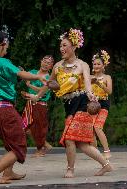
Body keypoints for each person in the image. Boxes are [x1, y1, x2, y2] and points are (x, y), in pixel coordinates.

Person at [31, 28, 112, 178]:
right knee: (81, 144)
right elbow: (48, 84)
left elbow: (88, 83)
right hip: (68, 105)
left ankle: (70, 170)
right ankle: (106, 165)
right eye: (60, 46)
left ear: (74, 47)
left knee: (69, 139)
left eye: (64, 45)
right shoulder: (57, 66)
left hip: (82, 103)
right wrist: (37, 97)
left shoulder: (83, 65)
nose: (61, 49)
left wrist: (90, 94)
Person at [0, 30, 46, 184]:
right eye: (6, 46)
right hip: (4, 110)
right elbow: (22, 75)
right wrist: (38, 76)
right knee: (19, 145)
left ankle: (8, 172)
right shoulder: (2, 62)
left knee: (10, 141)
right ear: (0, 45)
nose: (7, 49)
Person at [21, 55, 54, 157]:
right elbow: (24, 77)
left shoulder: (49, 78)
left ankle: (40, 150)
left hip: (40, 104)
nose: (45, 64)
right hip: (30, 103)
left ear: (51, 66)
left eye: (48, 63)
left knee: (38, 127)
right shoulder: (32, 72)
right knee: (24, 127)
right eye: (44, 61)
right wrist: (23, 73)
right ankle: (45, 144)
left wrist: (29, 85)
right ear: (41, 61)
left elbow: (42, 92)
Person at [90, 50, 113, 160]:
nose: (96, 65)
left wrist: (98, 83)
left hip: (103, 104)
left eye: (99, 63)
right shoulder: (89, 77)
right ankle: (95, 152)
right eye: (94, 64)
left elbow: (109, 91)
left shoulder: (107, 77)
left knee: (98, 127)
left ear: (103, 65)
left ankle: (107, 151)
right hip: (92, 105)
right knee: (91, 128)